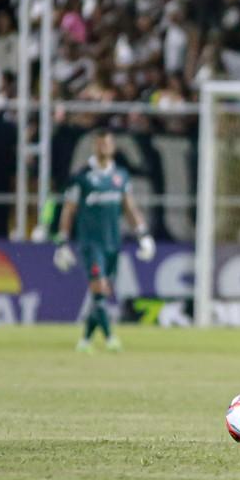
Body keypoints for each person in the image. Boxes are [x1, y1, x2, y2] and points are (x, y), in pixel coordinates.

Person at [53, 129, 156, 353]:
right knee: (99, 288)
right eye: (100, 144)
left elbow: (129, 207)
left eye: (107, 143)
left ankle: (85, 341)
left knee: (101, 293)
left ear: (113, 147)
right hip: (90, 244)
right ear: (94, 147)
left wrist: (143, 234)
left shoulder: (120, 176)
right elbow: (68, 211)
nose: (104, 147)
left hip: (113, 243)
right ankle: (110, 338)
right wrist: (62, 242)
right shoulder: (82, 178)